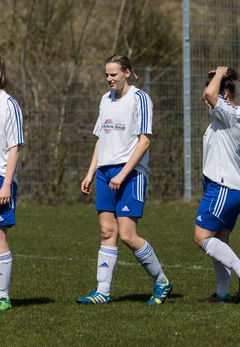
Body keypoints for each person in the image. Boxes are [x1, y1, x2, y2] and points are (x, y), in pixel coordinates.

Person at [77, 54, 172, 305]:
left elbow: (145, 140)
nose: (109, 79)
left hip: (130, 174)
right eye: (107, 75)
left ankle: (161, 282)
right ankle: (102, 291)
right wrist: (90, 172)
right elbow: (102, 139)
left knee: (128, 235)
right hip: (104, 173)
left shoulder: (139, 98)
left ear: (127, 73)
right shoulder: (105, 100)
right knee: (107, 231)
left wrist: (123, 173)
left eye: (114, 74)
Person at [194, 66, 240, 302]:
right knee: (220, 240)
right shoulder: (222, 118)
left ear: (225, 95)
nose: (205, 95)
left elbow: (210, 96)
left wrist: (220, 72)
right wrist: (216, 78)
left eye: (210, 89)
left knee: (202, 237)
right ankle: (222, 293)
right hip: (225, 185)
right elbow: (211, 95)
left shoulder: (230, 114)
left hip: (223, 186)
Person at [0, 56, 24, 311]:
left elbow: (15, 147)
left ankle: (3, 296)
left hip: (1, 177)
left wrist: (6, 184)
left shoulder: (8, 105)